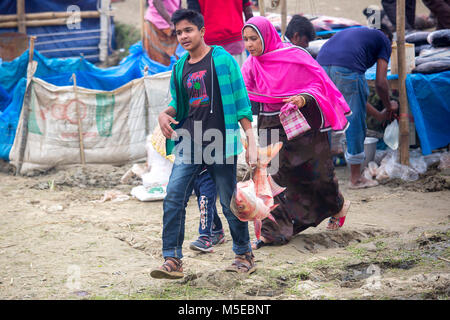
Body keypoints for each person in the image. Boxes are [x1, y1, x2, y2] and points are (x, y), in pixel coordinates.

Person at [150, 9, 257, 279]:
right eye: (179, 32)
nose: (183, 36)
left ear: (201, 31)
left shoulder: (222, 60)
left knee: (228, 200)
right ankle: (172, 259)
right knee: (174, 196)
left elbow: (241, 102)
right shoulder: (179, 68)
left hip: (220, 140)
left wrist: (251, 141)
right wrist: (165, 114)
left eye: (188, 30)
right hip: (189, 140)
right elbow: (179, 104)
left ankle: (244, 254)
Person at [241, 16, 352, 249]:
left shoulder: (294, 56)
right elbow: (247, 97)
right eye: (246, 40)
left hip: (301, 121)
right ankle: (272, 232)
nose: (249, 44)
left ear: (266, 37)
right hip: (269, 123)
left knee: (316, 172)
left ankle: (337, 204)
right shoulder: (251, 65)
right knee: (271, 178)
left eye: (254, 39)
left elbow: (318, 83)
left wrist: (302, 98)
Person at [317, 25, 398, 189]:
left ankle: (323, 177)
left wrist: (379, 115)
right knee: (355, 122)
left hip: (320, 66)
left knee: (324, 121)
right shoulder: (384, 40)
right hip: (346, 68)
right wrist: (389, 105)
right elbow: (381, 83)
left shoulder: (358, 34)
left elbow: (354, 99)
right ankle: (356, 179)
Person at [187, 0, 254, 67]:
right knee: (238, 75)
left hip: (209, 44)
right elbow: (247, 9)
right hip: (235, 40)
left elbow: (193, 17)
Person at [189, 167, 225, 253]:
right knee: (206, 203)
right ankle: (217, 230)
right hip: (195, 172)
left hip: (209, 171)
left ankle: (205, 238)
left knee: (204, 202)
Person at [143, 0, 181, 66]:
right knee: (156, 62)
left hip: (173, 24)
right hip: (156, 24)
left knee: (174, 60)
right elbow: (156, 1)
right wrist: (171, 22)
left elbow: (177, 5)